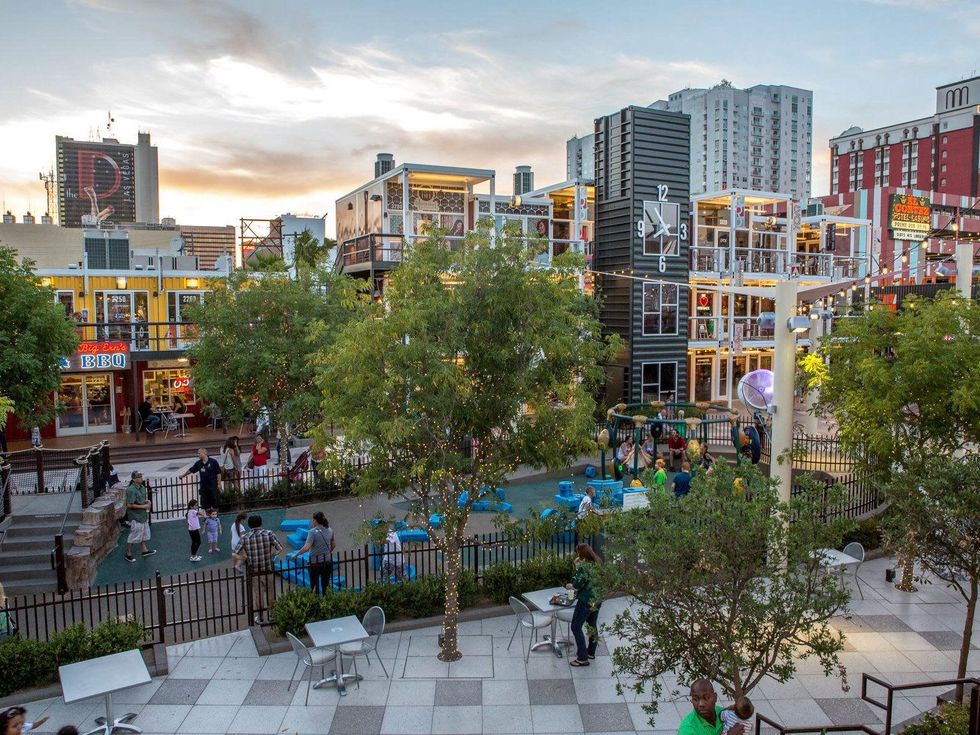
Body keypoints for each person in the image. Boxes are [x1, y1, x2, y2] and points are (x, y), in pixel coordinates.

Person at [234, 515, 283, 625]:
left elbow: (235, 553)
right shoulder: (269, 534)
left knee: (258, 594)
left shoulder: (245, 537)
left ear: (249, 525)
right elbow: (280, 548)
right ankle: (272, 615)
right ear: (261, 523)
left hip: (255, 571)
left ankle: (260, 617)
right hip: (268, 568)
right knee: (271, 592)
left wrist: (245, 557)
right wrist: (272, 554)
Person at [566, 543, 604, 667]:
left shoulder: (584, 567)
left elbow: (577, 584)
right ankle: (591, 652)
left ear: (581, 554)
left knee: (576, 627)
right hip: (597, 599)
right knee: (592, 625)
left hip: (586, 600)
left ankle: (582, 657)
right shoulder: (597, 563)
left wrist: (570, 584)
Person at [680, 679, 745, 735]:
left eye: (706, 698)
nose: (701, 704)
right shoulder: (688, 728)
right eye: (695, 699)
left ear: (715, 697)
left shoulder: (723, 712)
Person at [296, 511, 336, 595]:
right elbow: (333, 545)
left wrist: (296, 555)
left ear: (315, 520)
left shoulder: (312, 532)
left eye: (313, 520)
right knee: (326, 585)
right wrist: (327, 553)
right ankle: (327, 603)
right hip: (327, 562)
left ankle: (316, 603)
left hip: (315, 563)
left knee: (314, 586)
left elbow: (306, 547)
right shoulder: (330, 530)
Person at [124, 471, 156, 563]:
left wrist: (146, 501)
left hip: (142, 515)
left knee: (143, 533)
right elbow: (129, 505)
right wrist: (143, 506)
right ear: (134, 479)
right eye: (139, 477)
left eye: (141, 476)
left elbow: (140, 499)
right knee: (134, 535)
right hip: (135, 516)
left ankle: (144, 550)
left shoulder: (142, 487)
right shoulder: (131, 490)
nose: (141, 478)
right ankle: (128, 553)